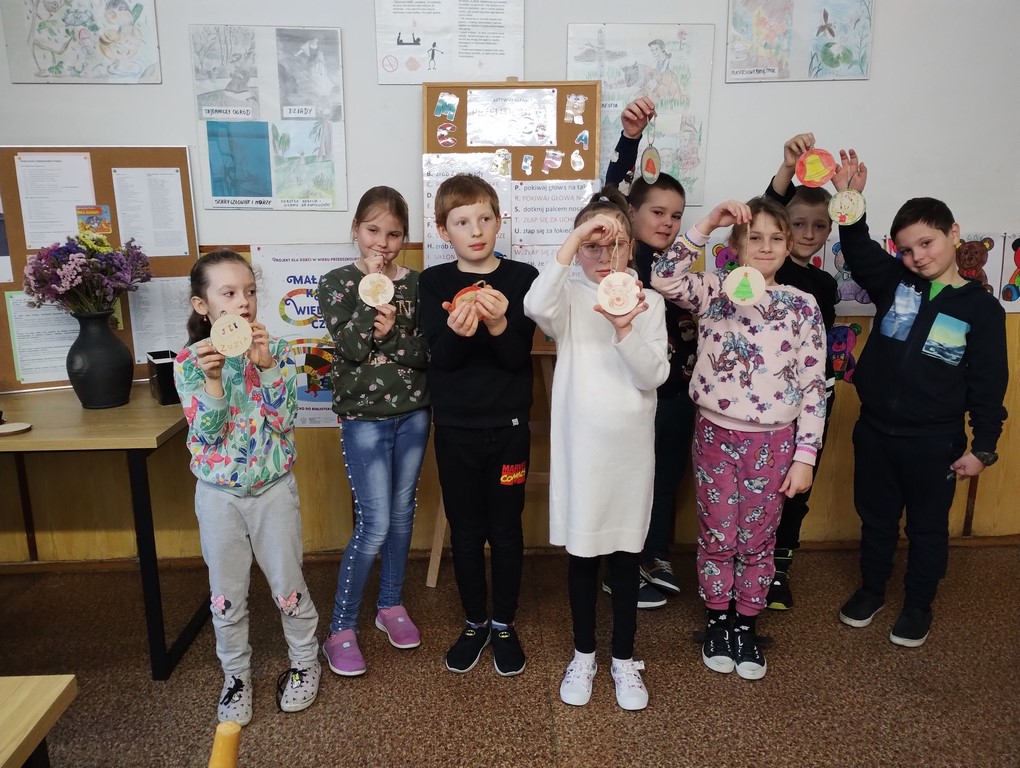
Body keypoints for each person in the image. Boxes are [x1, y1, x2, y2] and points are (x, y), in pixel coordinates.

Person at [831, 149, 1008, 647]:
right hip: (875, 433)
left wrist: (984, 445)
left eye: (927, 243)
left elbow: (989, 383)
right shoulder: (896, 283)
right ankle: (872, 590)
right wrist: (850, 200)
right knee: (876, 521)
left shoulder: (981, 310)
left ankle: (917, 605)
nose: (918, 256)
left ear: (954, 233)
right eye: (907, 249)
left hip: (934, 443)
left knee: (928, 529)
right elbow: (859, 249)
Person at [651, 198, 827, 679]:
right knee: (718, 534)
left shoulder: (801, 305)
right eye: (754, 237)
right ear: (735, 245)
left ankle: (746, 623)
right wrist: (708, 223)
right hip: (714, 435)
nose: (765, 246)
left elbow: (814, 386)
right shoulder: (713, 291)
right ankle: (717, 620)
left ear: (788, 246)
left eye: (776, 238)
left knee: (757, 538)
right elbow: (663, 277)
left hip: (774, 443)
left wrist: (806, 456)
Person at [523, 189, 668, 711]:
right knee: (583, 557)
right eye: (593, 245)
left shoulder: (649, 303)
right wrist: (577, 238)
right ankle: (583, 653)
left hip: (630, 454)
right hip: (582, 453)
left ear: (632, 247)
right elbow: (534, 305)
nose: (605, 256)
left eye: (617, 244)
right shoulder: (568, 298)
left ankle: (623, 659)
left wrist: (625, 326)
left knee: (626, 559)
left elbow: (654, 374)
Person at [173, 250, 320, 726]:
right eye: (229, 293)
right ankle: (236, 675)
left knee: (288, 583)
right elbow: (207, 434)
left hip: (273, 490)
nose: (243, 302)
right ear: (203, 305)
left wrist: (269, 366)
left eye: (250, 292)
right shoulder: (189, 362)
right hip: (219, 497)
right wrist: (214, 380)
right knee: (226, 593)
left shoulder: (276, 350)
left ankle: (305, 661)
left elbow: (284, 419)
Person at [419, 173, 538, 676]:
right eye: (462, 222)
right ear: (442, 230)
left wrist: (499, 323)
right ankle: (474, 621)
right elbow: (440, 361)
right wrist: (456, 331)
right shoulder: (433, 283)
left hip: (509, 429)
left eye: (485, 218)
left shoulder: (523, 278)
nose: (476, 230)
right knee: (466, 531)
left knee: (506, 528)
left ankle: (504, 623)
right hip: (454, 431)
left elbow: (515, 358)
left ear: (498, 221)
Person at [317, 187, 430, 677]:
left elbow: (426, 354)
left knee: (402, 516)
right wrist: (371, 298)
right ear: (356, 230)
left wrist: (393, 335)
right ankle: (340, 627)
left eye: (394, 234)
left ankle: (390, 604)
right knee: (375, 523)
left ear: (405, 237)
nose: (382, 243)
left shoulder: (420, 285)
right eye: (372, 230)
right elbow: (348, 348)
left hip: (414, 413)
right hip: (363, 419)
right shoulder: (336, 283)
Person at [604, 97, 697, 609]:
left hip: (677, 390)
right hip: (632, 390)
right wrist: (630, 139)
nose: (667, 222)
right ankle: (620, 565)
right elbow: (611, 194)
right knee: (630, 479)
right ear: (632, 214)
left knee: (666, 476)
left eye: (676, 216)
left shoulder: (678, 264)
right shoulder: (621, 256)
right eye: (657, 212)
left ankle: (653, 554)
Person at [761, 132, 841, 610]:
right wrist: (787, 170)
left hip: (814, 401)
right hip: (769, 401)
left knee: (797, 486)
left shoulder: (825, 285)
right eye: (798, 225)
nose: (809, 234)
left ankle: (779, 571)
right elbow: (766, 209)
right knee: (765, 483)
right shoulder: (768, 272)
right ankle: (752, 562)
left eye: (819, 226)